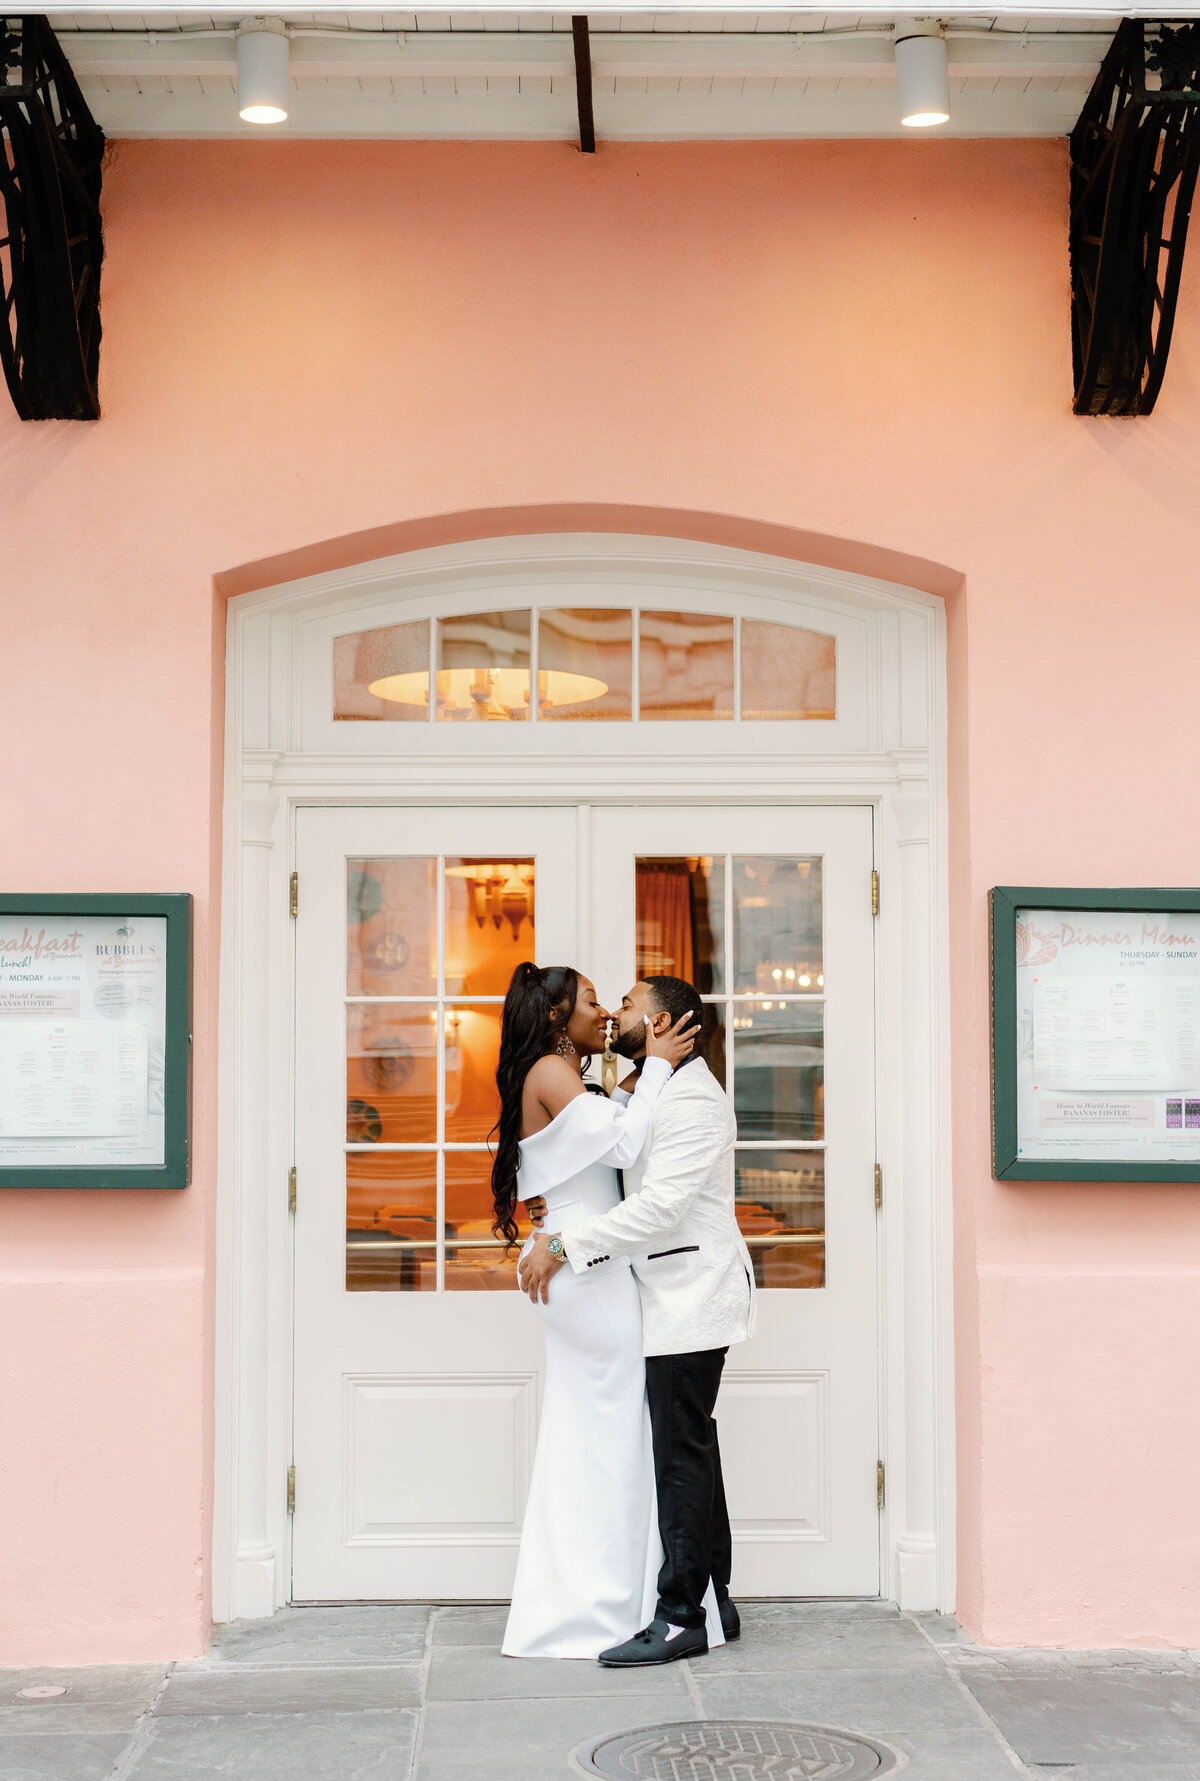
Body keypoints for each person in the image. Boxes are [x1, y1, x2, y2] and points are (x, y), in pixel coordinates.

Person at [519, 974, 756, 1668]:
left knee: (680, 1451)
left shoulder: (694, 1101)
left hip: (691, 1294)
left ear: (659, 1025)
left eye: (627, 1004)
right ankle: (715, 1593)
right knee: (693, 1444)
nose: (616, 1014)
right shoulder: (654, 1091)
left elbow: (660, 1208)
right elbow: (597, 1146)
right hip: (666, 1294)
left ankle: (680, 1614)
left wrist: (566, 1242)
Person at [495, 961, 705, 1660]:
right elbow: (622, 1144)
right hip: (584, 1268)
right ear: (557, 1016)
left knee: (596, 1436)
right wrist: (665, 1066)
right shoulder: (552, 1071)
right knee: (615, 1441)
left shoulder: (562, 1073)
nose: (604, 1014)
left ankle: (602, 1597)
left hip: (581, 1261)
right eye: (591, 1001)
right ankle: (610, 1604)